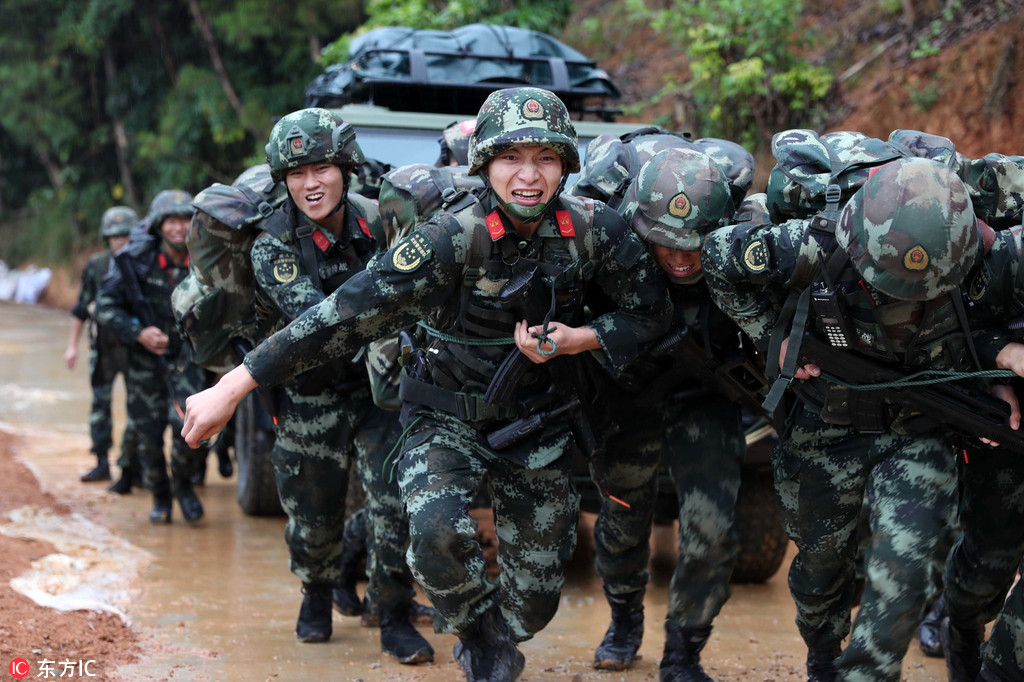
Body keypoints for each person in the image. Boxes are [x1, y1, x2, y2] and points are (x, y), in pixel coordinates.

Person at [182, 86, 672, 682]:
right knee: (437, 536)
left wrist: (578, 339)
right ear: (484, 164)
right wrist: (231, 388)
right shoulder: (447, 237)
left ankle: (491, 633)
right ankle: (472, 632)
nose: (528, 176)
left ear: (566, 165)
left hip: (538, 420)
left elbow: (651, 312)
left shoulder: (594, 229)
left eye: (545, 158)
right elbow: (342, 313)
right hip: (443, 417)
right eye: (510, 158)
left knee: (537, 601)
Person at [701, 157, 977, 682]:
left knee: (904, 564)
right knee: (820, 571)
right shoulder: (812, 245)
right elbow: (717, 256)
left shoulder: (974, 252)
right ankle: (824, 654)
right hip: (824, 427)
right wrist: (771, 338)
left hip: (918, 430)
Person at [251, 108, 434, 662]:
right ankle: (315, 592)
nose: (311, 184)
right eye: (297, 173)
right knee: (313, 509)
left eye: (322, 169)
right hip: (311, 392)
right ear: (283, 181)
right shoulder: (273, 245)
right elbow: (314, 324)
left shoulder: (381, 222)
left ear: (346, 169)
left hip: (382, 390)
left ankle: (395, 614)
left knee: (395, 502)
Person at [584, 147, 757, 679]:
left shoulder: (745, 246)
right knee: (621, 516)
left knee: (712, 529)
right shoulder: (608, 244)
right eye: (666, 244)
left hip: (706, 397)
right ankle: (624, 617)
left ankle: (683, 649)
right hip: (630, 395)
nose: (681, 259)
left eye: (694, 246)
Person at [940, 215, 1024, 681]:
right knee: (987, 562)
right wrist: (1000, 366)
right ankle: (963, 635)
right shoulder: (1010, 259)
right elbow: (954, 328)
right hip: (1007, 429)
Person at [96, 190, 212, 524]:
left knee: (190, 428)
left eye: (185, 219)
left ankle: (183, 485)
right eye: (171, 220)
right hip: (144, 362)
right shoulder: (135, 261)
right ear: (159, 225)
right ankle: (160, 495)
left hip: (188, 358)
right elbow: (104, 306)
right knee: (147, 433)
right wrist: (138, 332)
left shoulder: (205, 260)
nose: (178, 227)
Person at [65, 206, 136, 483]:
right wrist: (72, 346)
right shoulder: (96, 265)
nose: (120, 240)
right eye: (114, 235)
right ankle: (102, 461)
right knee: (100, 406)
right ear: (106, 237)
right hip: (103, 348)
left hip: (134, 348)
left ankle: (134, 464)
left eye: (125, 235)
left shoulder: (143, 261)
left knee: (140, 409)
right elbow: (81, 308)